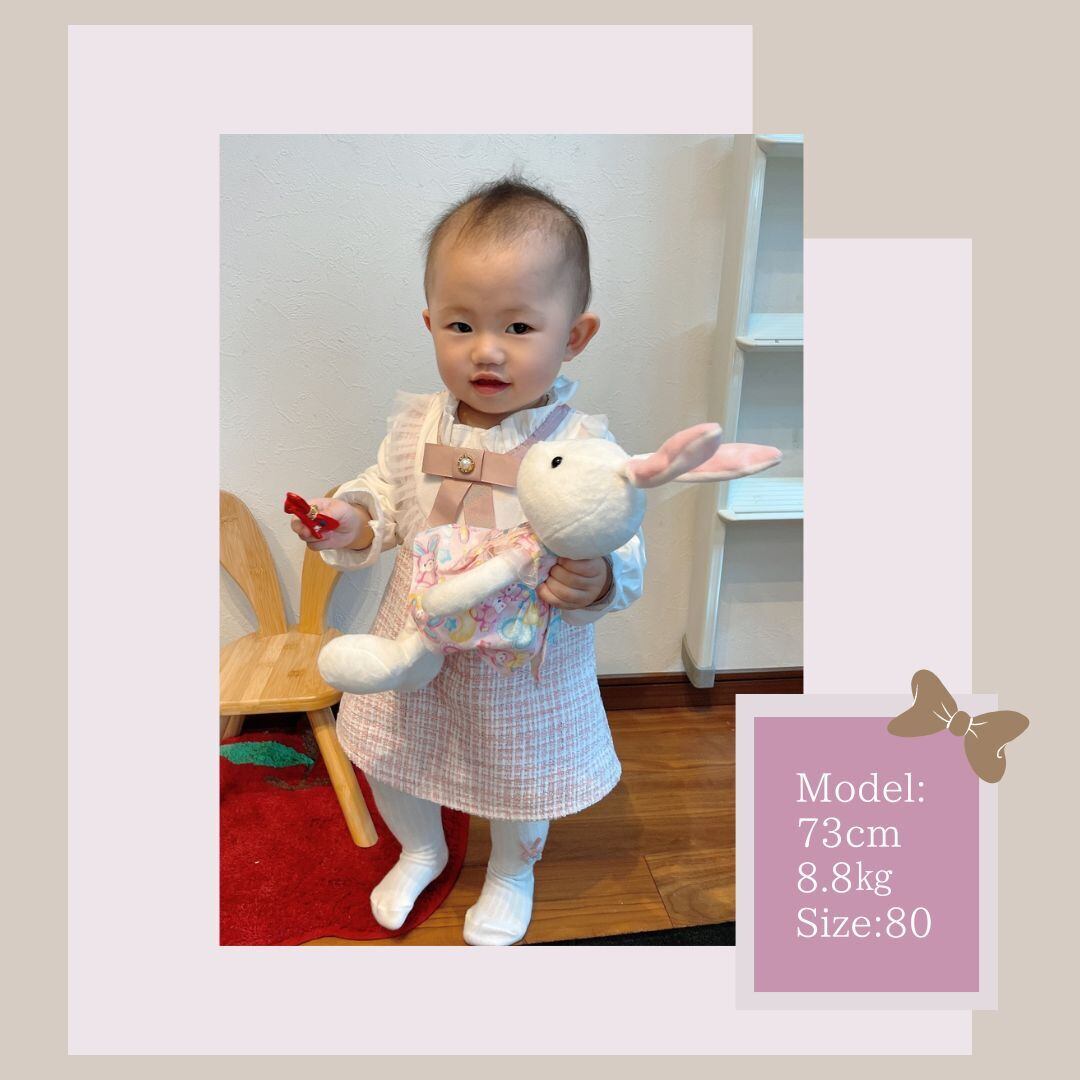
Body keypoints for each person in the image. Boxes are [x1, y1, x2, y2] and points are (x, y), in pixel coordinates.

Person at [291, 175, 646, 945]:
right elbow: (386, 499)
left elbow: (620, 536)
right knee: (392, 753)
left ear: (574, 335)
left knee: (518, 774)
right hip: (413, 640)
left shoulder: (581, 447)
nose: (486, 349)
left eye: (518, 326)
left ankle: (512, 870)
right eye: (460, 324)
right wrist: (351, 520)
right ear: (430, 324)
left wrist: (597, 576)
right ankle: (421, 847)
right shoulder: (416, 425)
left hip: (519, 662)